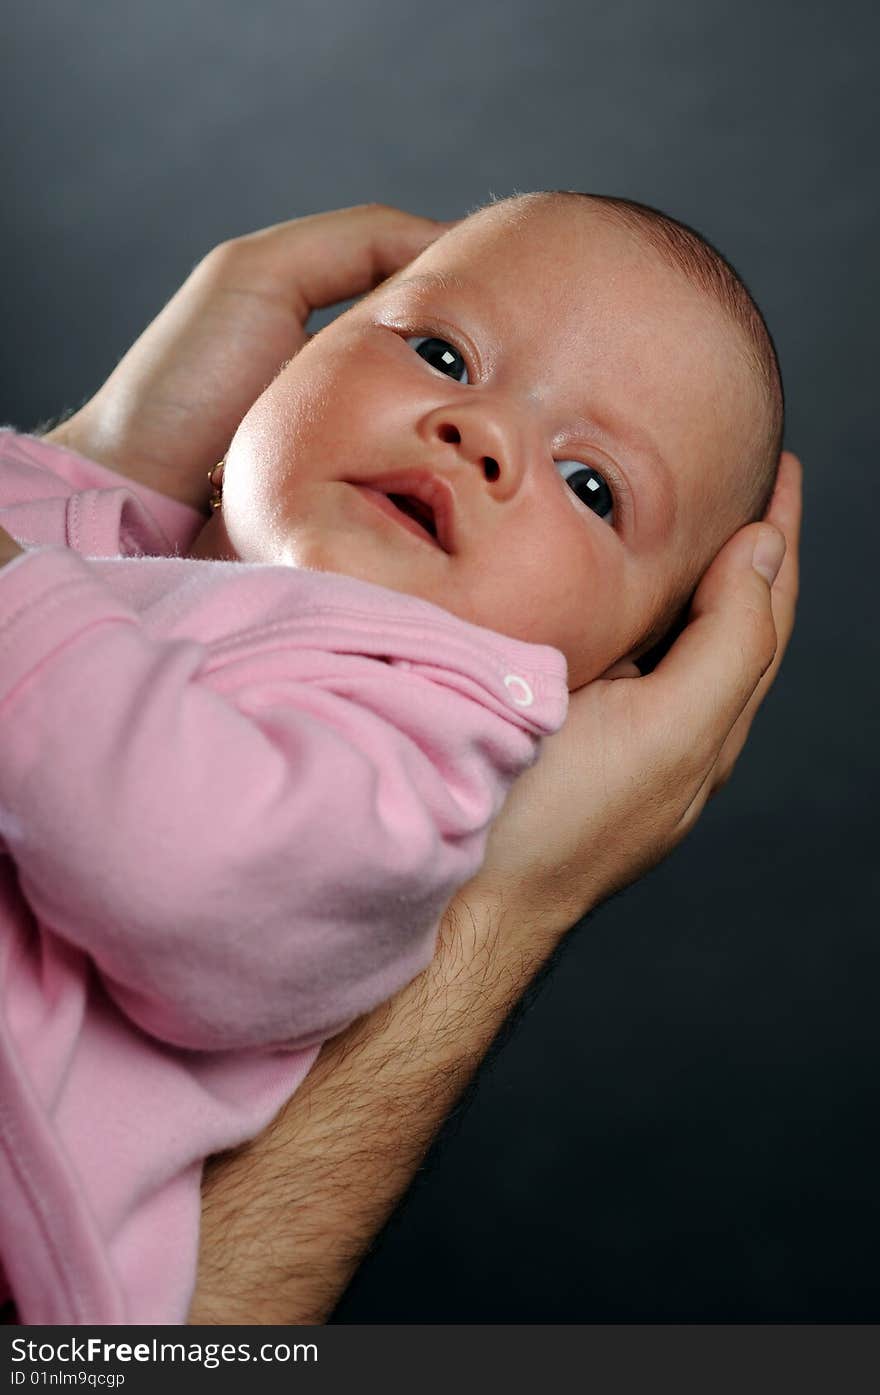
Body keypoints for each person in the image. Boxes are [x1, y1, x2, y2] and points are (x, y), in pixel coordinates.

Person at [0, 200, 801, 1325]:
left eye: (591, 487)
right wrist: (106, 460)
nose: (484, 434)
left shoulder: (416, 744)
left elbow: (181, 863)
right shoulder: (101, 557)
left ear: (605, 675)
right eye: (440, 353)